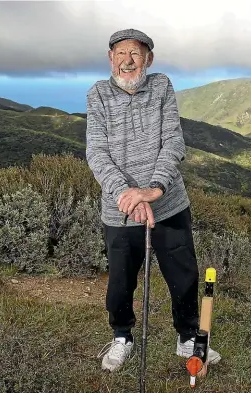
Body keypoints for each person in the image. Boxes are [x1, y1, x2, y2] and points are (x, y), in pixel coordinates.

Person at [86, 28, 221, 372]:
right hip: (120, 209)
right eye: (120, 54)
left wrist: (154, 189)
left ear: (148, 59)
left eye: (135, 53)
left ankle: (187, 336)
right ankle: (121, 336)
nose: (127, 61)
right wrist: (128, 195)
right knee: (120, 278)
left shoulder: (161, 86)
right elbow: (97, 153)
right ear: (110, 58)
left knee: (184, 273)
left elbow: (173, 142)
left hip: (168, 202)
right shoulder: (98, 94)